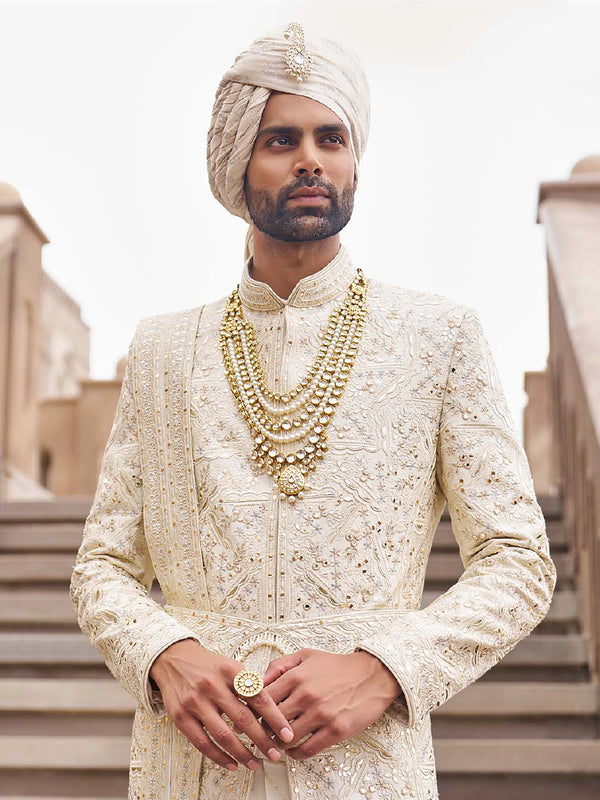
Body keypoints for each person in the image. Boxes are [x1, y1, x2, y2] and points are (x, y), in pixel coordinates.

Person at [70, 21, 557, 800]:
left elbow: (520, 564)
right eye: (280, 139)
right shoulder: (164, 352)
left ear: (354, 158)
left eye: (331, 137)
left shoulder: (437, 337)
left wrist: (384, 671)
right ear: (239, 161)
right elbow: (103, 566)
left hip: (366, 770)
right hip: (194, 767)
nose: (310, 160)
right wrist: (166, 654)